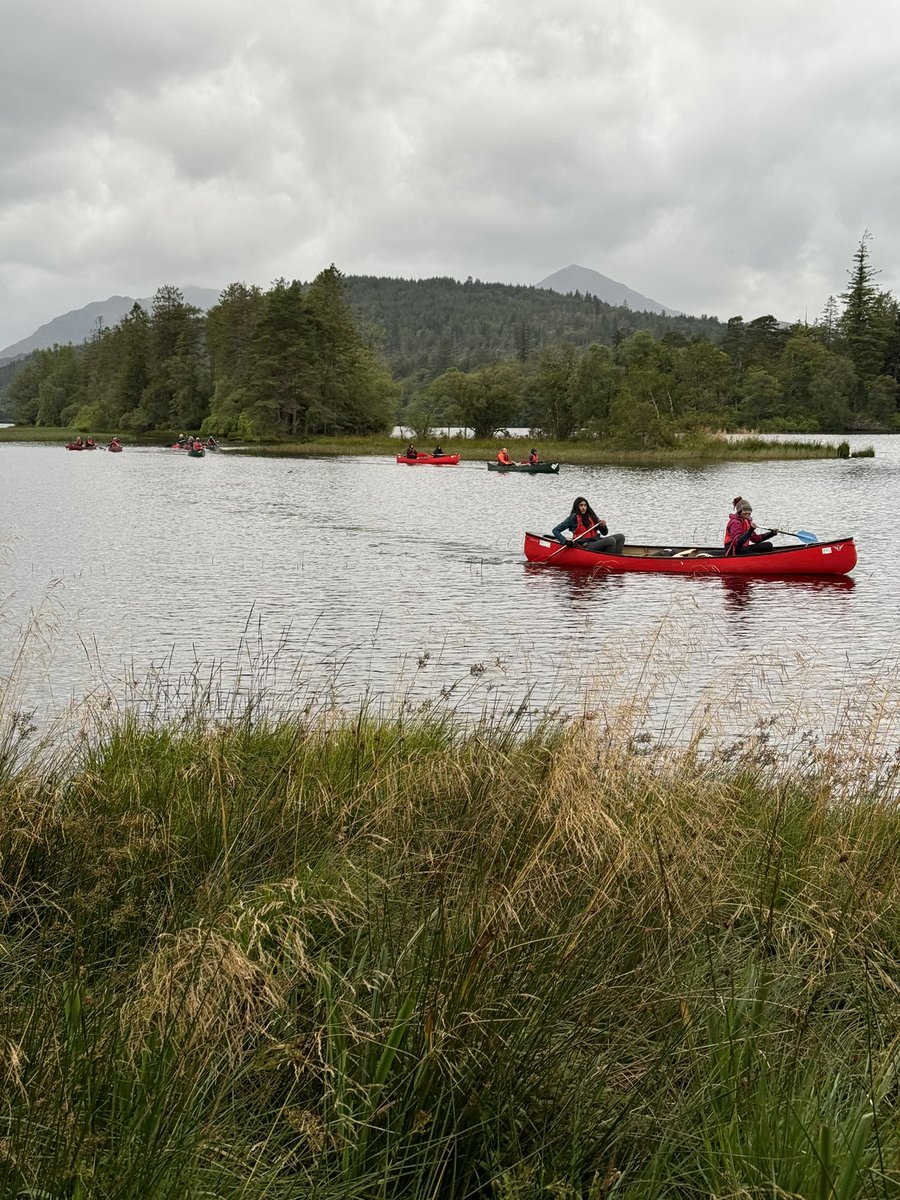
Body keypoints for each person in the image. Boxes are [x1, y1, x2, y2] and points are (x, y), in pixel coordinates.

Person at [552, 497, 626, 554]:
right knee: (611, 540)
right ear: (577, 507)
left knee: (621, 537)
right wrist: (565, 542)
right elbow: (555, 530)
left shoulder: (591, 516)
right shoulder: (573, 518)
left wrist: (603, 526)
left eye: (585, 505)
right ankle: (610, 561)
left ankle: (617, 559)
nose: (583, 507)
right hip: (584, 545)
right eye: (581, 505)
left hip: (595, 541)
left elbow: (604, 533)